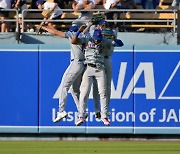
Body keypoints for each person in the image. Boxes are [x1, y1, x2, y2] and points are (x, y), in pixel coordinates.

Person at [72, 26, 122, 126]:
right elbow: (74, 41)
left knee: (103, 93)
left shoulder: (104, 41)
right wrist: (78, 32)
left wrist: (113, 38)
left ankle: (104, 116)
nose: (97, 41)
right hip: (89, 68)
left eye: (99, 39)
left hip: (100, 68)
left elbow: (120, 44)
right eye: (96, 39)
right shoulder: (87, 39)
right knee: (84, 93)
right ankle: (81, 115)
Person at [42, 24, 86, 123]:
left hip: (75, 63)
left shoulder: (74, 35)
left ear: (73, 31)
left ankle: (61, 111)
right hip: (82, 64)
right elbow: (55, 30)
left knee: (64, 87)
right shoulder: (85, 37)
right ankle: (82, 112)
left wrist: (44, 28)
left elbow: (56, 33)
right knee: (75, 90)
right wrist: (49, 26)